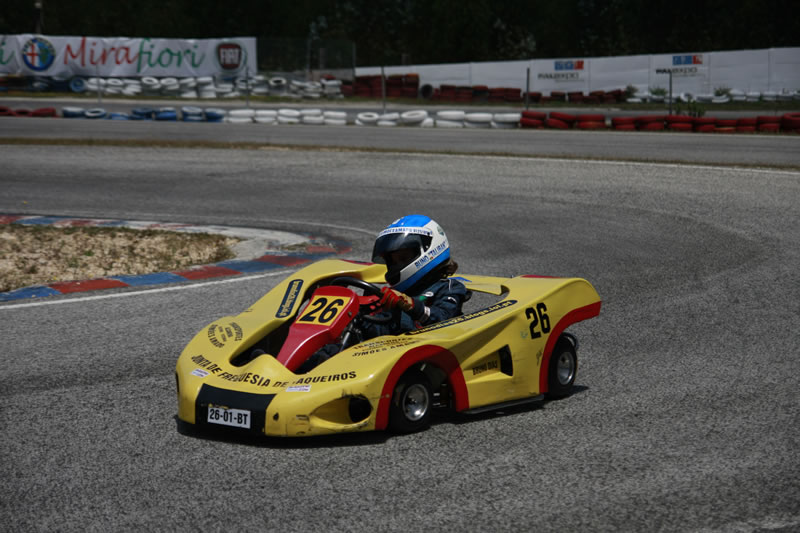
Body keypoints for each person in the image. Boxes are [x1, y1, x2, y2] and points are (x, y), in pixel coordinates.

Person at [297, 215, 468, 373]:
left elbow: (444, 320)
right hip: (380, 350)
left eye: (402, 258)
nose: (396, 266)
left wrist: (410, 305)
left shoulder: (449, 288)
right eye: (392, 261)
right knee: (333, 348)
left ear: (428, 251)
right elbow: (379, 327)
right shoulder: (396, 291)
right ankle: (290, 373)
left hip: (424, 357)